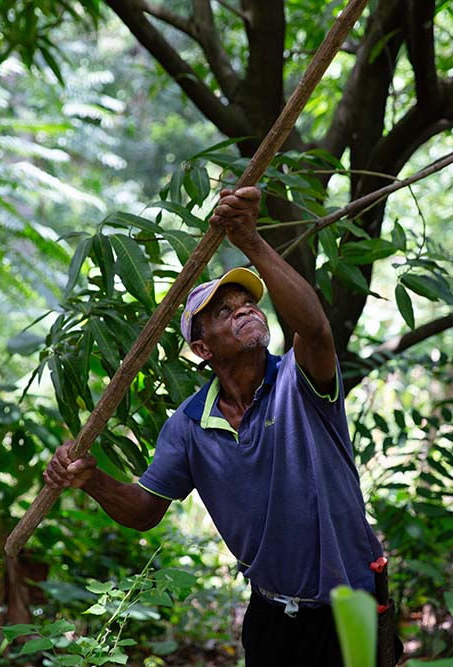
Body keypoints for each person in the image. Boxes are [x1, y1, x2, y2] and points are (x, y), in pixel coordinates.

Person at [44, 186, 394, 666]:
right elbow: (146, 510)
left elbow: (314, 329)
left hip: (351, 598)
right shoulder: (189, 425)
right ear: (203, 349)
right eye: (224, 313)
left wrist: (250, 240)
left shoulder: (301, 380)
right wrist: (90, 479)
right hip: (271, 609)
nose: (245, 311)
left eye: (247, 304)